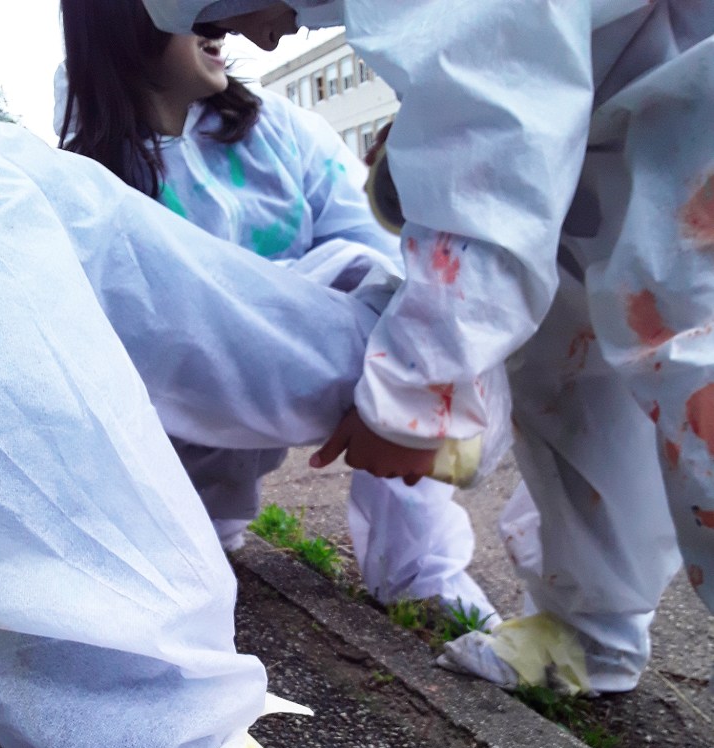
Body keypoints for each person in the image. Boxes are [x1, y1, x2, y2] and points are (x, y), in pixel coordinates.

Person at [0, 21, 501, 748]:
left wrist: (391, 375)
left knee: (7, 196)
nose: (269, 29)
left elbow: (145, 273)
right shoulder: (101, 135)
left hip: (264, 376)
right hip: (194, 435)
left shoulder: (266, 133)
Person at [145, 0, 714, 696]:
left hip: (687, 121)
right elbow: (510, 99)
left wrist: (413, 393)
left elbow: (490, 157)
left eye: (226, 14)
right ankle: (591, 633)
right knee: (575, 373)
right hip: (629, 127)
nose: (258, 41)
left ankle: (588, 628)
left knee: (691, 356)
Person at [56, 0, 503, 619]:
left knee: (394, 310)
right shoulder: (88, 179)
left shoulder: (280, 129)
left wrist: (396, 379)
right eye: (201, 12)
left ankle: (423, 576)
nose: (223, 28)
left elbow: (382, 258)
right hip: (181, 419)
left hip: (312, 371)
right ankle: (204, 535)